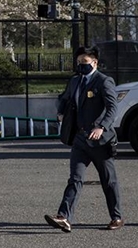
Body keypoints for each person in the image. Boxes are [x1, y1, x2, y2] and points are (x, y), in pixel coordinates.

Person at [45, 46, 123, 232]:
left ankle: (116, 217)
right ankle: (64, 217)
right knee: (75, 178)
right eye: (79, 62)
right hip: (80, 139)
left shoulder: (104, 81)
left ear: (95, 63)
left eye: (85, 62)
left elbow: (112, 107)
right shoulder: (75, 81)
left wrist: (101, 126)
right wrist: (61, 112)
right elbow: (64, 98)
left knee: (108, 180)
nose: (81, 65)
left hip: (100, 140)